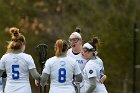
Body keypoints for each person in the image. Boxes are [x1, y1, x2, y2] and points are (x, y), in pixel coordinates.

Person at [0, 27, 40, 93]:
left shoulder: (5, 57)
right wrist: (38, 78)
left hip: (9, 90)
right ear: (22, 45)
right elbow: (35, 75)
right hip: (24, 90)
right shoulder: (27, 57)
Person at [67, 27, 87, 93]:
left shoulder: (87, 53)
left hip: (84, 87)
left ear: (81, 41)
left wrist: (103, 76)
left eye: (75, 40)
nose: (72, 42)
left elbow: (97, 64)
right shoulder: (67, 53)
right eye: (70, 40)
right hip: (70, 88)